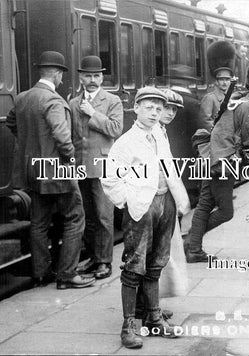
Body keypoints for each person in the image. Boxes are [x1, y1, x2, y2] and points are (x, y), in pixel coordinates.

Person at [100, 87, 190, 348]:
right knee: (133, 265)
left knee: (157, 262)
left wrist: (178, 200)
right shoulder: (125, 142)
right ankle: (128, 325)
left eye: (158, 108)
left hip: (165, 204)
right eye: (149, 107)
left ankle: (153, 318)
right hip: (142, 208)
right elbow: (109, 179)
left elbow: (169, 167)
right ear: (136, 108)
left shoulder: (160, 135)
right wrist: (129, 201)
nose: (154, 112)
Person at [6, 51, 94, 289]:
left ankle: (40, 274)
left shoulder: (23, 97)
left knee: (39, 222)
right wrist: (71, 160)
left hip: (32, 171)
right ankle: (66, 274)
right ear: (56, 74)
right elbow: (62, 136)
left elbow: (12, 123)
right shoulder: (54, 101)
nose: (62, 80)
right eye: (61, 75)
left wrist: (30, 145)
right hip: (57, 171)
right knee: (76, 217)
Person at [184, 59, 249, 263]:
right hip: (222, 161)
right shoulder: (247, 107)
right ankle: (191, 241)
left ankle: (193, 247)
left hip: (211, 156)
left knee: (204, 204)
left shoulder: (245, 101)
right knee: (226, 212)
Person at [71, 55, 123, 280]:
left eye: (96, 75)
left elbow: (115, 129)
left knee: (103, 216)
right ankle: (93, 258)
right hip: (81, 166)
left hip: (103, 165)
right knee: (88, 216)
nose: (92, 79)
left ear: (102, 78)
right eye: (87, 75)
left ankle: (104, 262)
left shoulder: (112, 101)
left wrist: (93, 114)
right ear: (81, 78)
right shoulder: (73, 102)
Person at [199, 41, 236, 130]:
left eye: (227, 80)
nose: (224, 83)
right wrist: (220, 132)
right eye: (221, 79)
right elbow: (205, 120)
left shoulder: (233, 97)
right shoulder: (210, 98)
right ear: (216, 81)